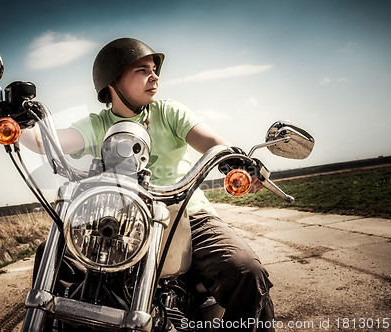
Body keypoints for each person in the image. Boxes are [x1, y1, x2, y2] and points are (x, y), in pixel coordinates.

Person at [18, 38, 275, 331]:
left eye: (154, 69)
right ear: (112, 81)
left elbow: (211, 142)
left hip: (187, 216)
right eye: (142, 70)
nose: (154, 76)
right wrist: (15, 126)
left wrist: (236, 161)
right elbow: (45, 140)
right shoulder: (98, 124)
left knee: (246, 271)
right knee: (52, 256)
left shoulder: (169, 112)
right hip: (121, 223)